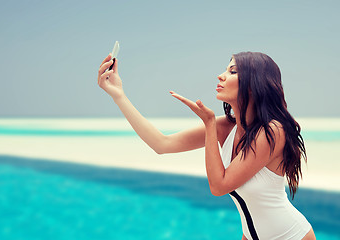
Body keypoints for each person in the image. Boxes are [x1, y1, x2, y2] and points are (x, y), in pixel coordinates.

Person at [97, 51, 316, 240]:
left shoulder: (273, 131)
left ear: (253, 84)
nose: (220, 75)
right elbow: (161, 144)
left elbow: (219, 186)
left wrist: (209, 124)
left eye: (232, 71)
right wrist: (119, 95)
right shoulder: (226, 126)